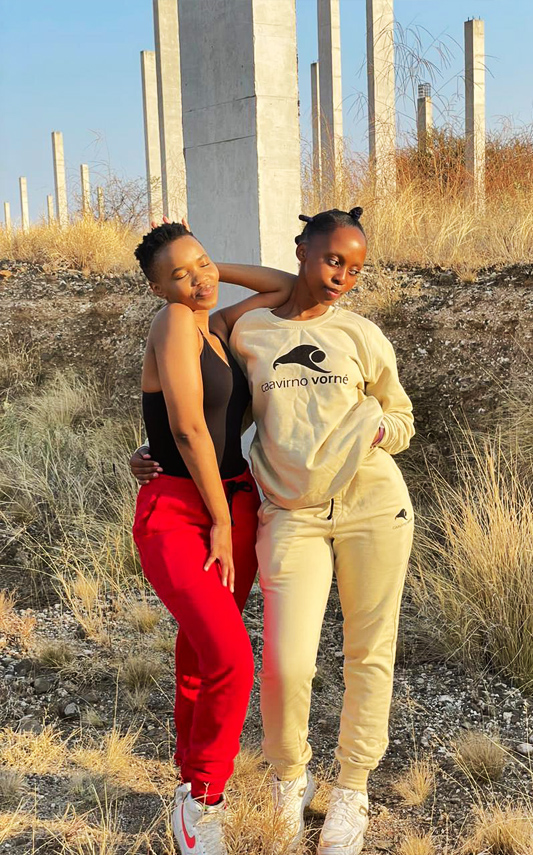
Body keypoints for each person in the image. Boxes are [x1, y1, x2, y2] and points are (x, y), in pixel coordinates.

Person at [132, 208, 415, 855]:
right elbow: (194, 414)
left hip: (360, 502)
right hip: (276, 511)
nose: (341, 276)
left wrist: (376, 429)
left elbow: (401, 416)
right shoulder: (235, 327)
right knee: (275, 663)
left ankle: (348, 790)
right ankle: (279, 779)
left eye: (354, 267)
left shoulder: (356, 333)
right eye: (331, 259)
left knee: (365, 652)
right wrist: (154, 451)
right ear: (302, 251)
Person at [131, 221, 296, 855]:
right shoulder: (173, 321)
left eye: (201, 262)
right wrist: (221, 522)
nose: (197, 279)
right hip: (182, 509)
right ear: (157, 289)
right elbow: (188, 428)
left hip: (235, 499)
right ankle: (203, 799)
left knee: (204, 651)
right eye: (177, 274)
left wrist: (209, 270)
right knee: (231, 657)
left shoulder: (218, 328)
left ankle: (188, 779)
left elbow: (285, 287)